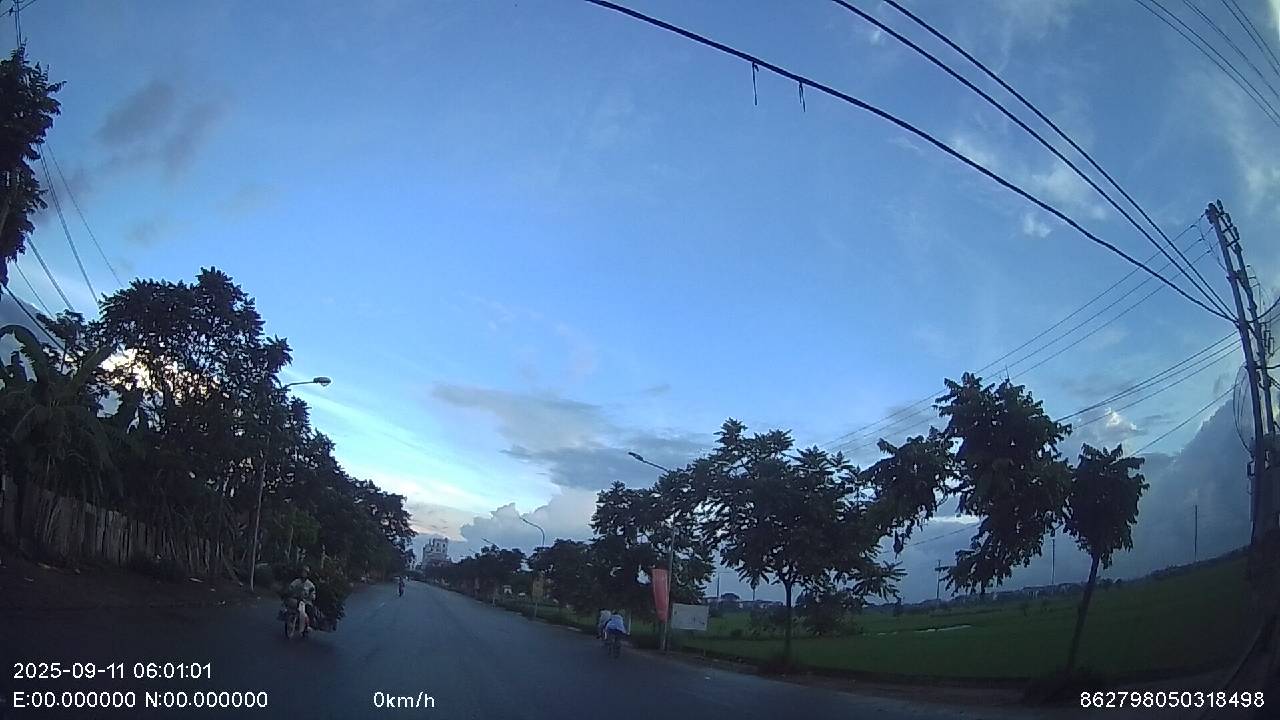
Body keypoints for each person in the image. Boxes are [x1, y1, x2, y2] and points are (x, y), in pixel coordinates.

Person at [287, 566, 318, 631]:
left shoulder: (310, 584)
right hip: (296, 599)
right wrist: (290, 590)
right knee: (289, 606)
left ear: (307, 574)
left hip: (306, 601)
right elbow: (291, 587)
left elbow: (313, 593)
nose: (303, 574)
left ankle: (310, 625)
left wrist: (312, 596)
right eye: (303, 572)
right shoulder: (297, 581)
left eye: (305, 573)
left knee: (310, 609)